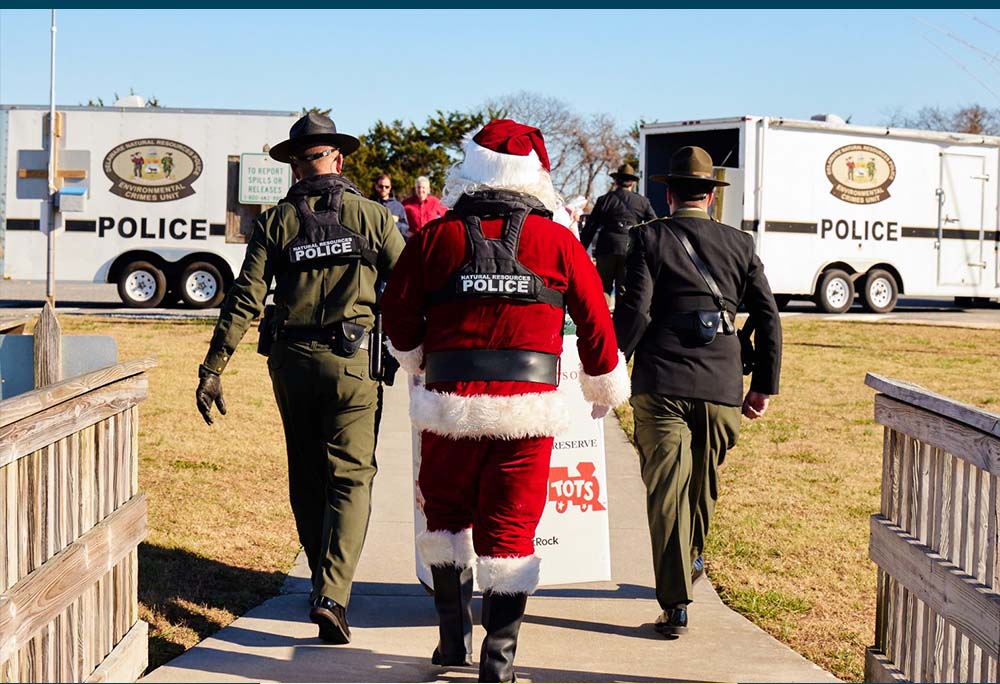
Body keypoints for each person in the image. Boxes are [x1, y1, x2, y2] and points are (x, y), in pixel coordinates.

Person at [382, 119, 629, 682]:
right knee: (511, 530)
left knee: (444, 520)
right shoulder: (559, 241)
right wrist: (602, 385)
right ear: (533, 177)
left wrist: (419, 357)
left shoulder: (434, 238)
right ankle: (499, 664)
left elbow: (396, 313)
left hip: (447, 409)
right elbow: (596, 323)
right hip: (528, 415)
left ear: (470, 172)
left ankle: (452, 643)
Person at [195, 112, 405, 644]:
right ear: (338, 158)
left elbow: (245, 298)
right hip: (354, 365)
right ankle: (333, 593)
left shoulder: (274, 222)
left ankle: (320, 582)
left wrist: (213, 366)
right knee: (351, 477)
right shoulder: (373, 217)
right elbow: (408, 287)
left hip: (291, 363)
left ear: (294, 165)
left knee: (307, 474)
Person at [613, 146, 782, 637]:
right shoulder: (741, 244)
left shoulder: (646, 238)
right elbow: (768, 316)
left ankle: (675, 601)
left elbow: (637, 311)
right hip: (721, 384)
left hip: (660, 380)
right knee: (703, 485)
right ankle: (688, 564)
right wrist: (763, 385)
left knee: (667, 491)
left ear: (668, 194)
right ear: (710, 195)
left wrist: (611, 363)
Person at [580, 163, 657, 308]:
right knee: (624, 289)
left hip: (606, 248)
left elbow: (591, 227)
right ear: (632, 183)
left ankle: (604, 322)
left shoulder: (605, 200)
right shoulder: (642, 202)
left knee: (603, 288)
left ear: (616, 181)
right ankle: (622, 324)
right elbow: (653, 225)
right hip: (630, 249)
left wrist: (581, 249)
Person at [371, 173, 409, 239]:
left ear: (390, 187)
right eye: (381, 186)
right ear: (376, 187)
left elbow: (405, 227)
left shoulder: (398, 206)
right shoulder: (371, 204)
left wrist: (393, 223)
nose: (384, 189)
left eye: (387, 187)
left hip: (393, 241)